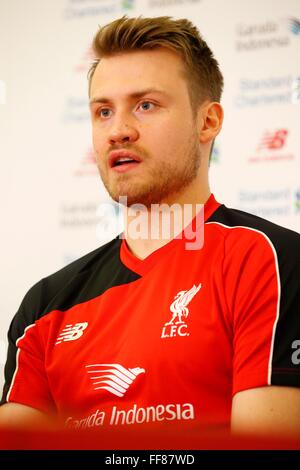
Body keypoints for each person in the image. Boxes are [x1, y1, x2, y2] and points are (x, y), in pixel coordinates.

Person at [0, 15, 300, 441]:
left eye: (146, 105)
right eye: (104, 111)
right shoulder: (45, 305)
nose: (119, 130)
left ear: (208, 122)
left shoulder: (269, 262)